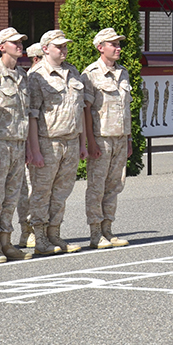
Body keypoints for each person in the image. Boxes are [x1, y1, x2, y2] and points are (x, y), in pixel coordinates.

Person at [27, 30, 87, 255]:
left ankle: (55, 234)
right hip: (47, 142)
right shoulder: (37, 76)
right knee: (42, 192)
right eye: (58, 46)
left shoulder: (72, 72)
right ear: (45, 49)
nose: (64, 50)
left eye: (65, 46)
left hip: (70, 141)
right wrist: (34, 150)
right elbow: (33, 115)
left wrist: (82, 144)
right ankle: (40, 238)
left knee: (62, 192)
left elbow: (79, 110)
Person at [81, 28, 133, 248]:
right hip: (101, 138)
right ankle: (95, 233)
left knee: (115, 185)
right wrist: (90, 142)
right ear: (100, 47)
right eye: (113, 44)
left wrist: (129, 139)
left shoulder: (123, 73)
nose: (118, 48)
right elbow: (86, 110)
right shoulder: (91, 73)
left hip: (120, 138)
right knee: (97, 186)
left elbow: (126, 108)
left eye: (119, 44)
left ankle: (108, 229)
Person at [0, 28, 33, 262]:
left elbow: (26, 114)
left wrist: (28, 146)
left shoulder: (23, 76)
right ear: (1, 47)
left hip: (18, 144)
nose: (19, 45)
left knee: (11, 198)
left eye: (21, 41)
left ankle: (7, 243)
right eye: (14, 42)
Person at [17, 42, 44, 248]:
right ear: (36, 59)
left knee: (33, 189)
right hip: (16, 141)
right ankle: (26, 230)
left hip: (30, 140)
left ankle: (34, 230)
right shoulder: (31, 78)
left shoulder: (24, 78)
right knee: (25, 189)